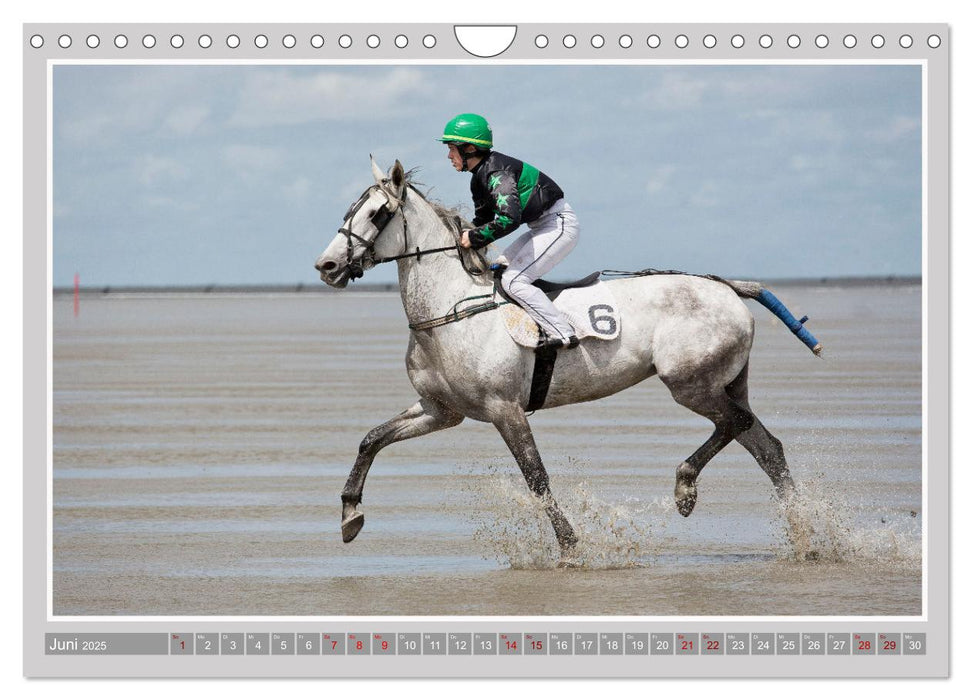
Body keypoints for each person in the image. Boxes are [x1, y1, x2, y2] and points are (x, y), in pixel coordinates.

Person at [438, 113, 581, 351]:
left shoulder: (496, 172)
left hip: (558, 225)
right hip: (542, 226)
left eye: (452, 149)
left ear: (470, 149)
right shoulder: (478, 179)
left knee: (514, 281)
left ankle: (563, 333)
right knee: (500, 267)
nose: (448, 156)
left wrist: (472, 238)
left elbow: (508, 219)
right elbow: (482, 222)